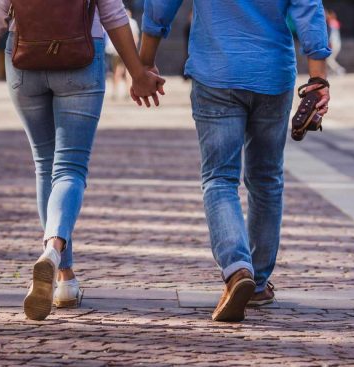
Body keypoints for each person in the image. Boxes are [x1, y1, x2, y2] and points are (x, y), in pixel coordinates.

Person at [0, 0, 165, 321]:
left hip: (24, 58)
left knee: (45, 165)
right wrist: (137, 71)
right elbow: (112, 12)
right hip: (80, 58)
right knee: (69, 168)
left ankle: (65, 279)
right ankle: (54, 251)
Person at [140, 0, 331, 322]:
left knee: (219, 178)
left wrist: (144, 61)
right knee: (267, 179)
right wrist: (318, 78)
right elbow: (308, 6)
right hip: (273, 74)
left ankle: (237, 268)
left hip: (216, 73)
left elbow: (160, 6)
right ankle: (256, 283)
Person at [105, 8, 140, 100]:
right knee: (128, 72)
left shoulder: (116, 21)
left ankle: (115, 92)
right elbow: (135, 38)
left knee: (117, 71)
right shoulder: (132, 22)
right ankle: (128, 92)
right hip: (128, 50)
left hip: (116, 50)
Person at [325, 9, 346, 75]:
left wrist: (330, 43)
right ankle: (331, 71)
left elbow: (332, 34)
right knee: (329, 59)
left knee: (328, 59)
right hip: (336, 43)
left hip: (334, 43)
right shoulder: (334, 22)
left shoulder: (332, 23)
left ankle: (339, 69)